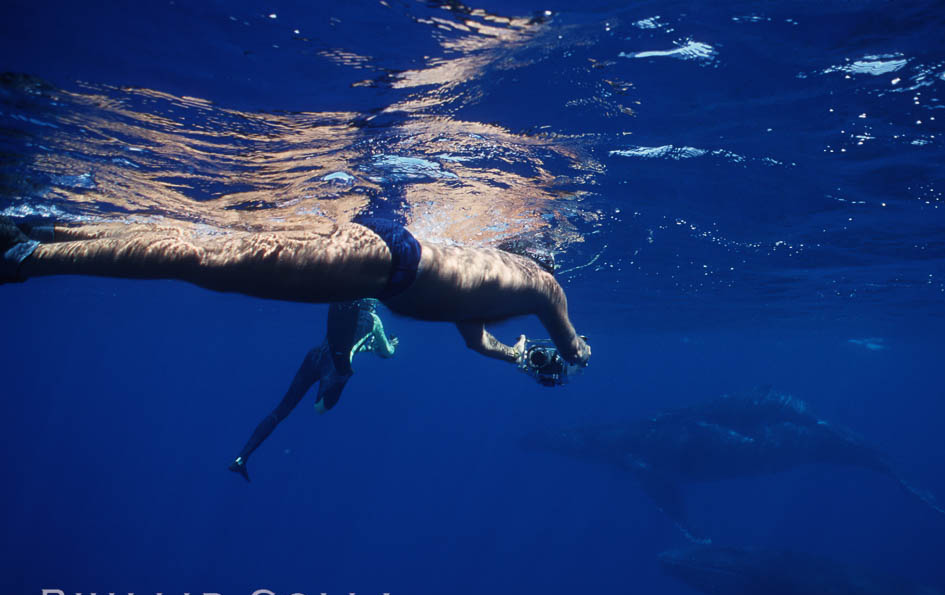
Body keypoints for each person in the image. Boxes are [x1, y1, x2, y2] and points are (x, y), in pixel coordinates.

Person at [1, 212, 590, 367]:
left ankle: (45, 229)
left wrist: (513, 356)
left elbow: (475, 342)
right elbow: (572, 348)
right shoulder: (544, 286)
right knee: (196, 260)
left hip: (381, 252)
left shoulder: (487, 287)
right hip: (379, 264)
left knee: (203, 243)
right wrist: (575, 354)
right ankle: (26, 257)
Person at [228, 299, 397, 482]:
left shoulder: (345, 313)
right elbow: (387, 352)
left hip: (315, 356)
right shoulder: (375, 321)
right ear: (372, 305)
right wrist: (391, 345)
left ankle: (241, 458)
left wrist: (367, 347)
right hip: (333, 364)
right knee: (320, 408)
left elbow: (347, 338)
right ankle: (343, 378)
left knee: (280, 411)